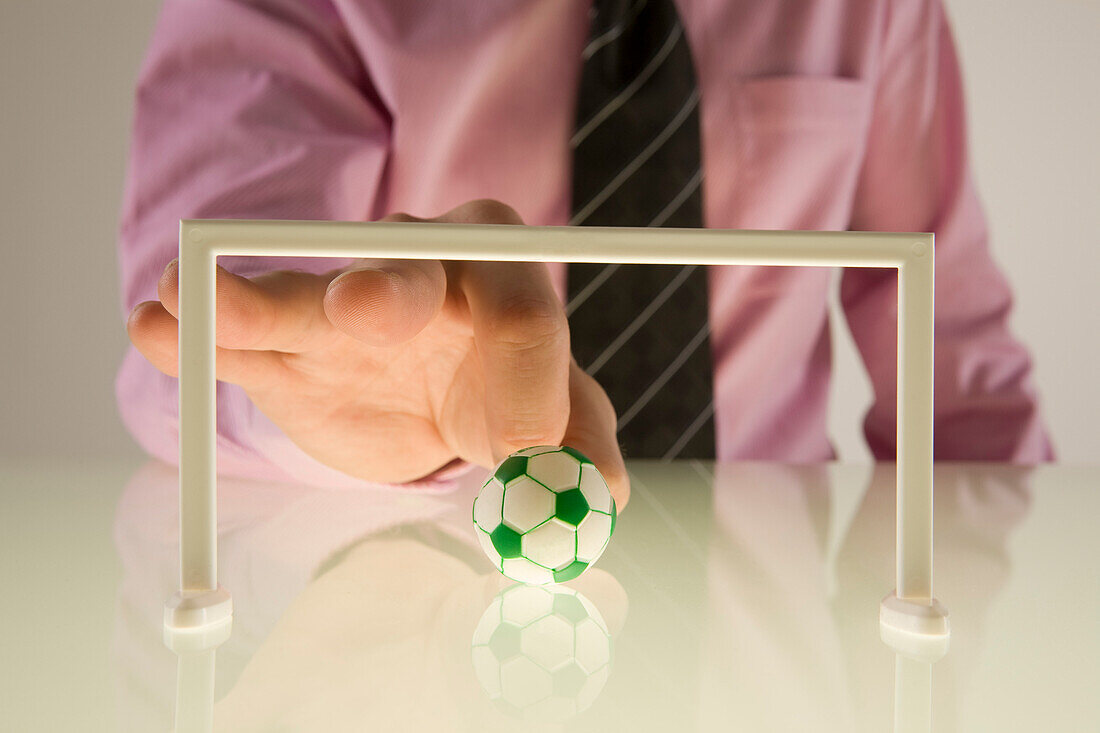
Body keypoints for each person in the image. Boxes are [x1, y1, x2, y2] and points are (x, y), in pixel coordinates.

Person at [119, 0, 1052, 509]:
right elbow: (204, 317)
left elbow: (959, 375)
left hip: (773, 637)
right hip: (398, 610)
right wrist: (316, 392)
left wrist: (1016, 622)